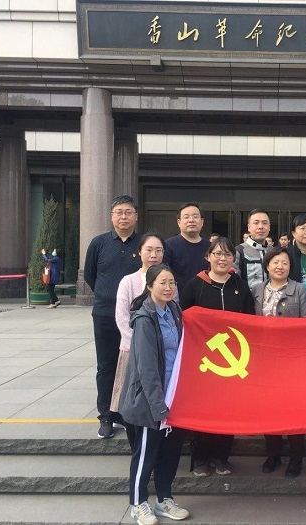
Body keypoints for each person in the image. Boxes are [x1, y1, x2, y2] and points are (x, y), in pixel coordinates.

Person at [179, 237, 255, 477]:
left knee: (227, 408)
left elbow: (251, 319)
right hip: (203, 360)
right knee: (203, 408)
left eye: (227, 254)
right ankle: (201, 457)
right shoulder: (195, 285)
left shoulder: (240, 285)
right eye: (217, 254)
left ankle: (222, 457)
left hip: (234, 358)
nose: (222, 259)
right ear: (208, 257)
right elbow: (183, 318)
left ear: (234, 258)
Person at [120, 264, 189, 525]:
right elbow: (147, 368)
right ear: (149, 286)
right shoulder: (144, 319)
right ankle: (138, 504)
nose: (168, 288)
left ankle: (164, 499)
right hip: (152, 400)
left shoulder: (174, 311)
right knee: (146, 454)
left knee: (170, 453)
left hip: (175, 395)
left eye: (172, 283)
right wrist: (159, 407)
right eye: (163, 283)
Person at [251, 246, 306, 478]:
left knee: (294, 409)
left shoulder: (300, 289)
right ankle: (273, 453)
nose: (280, 266)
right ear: (267, 265)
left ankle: (296, 458)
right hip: (265, 360)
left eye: (285, 263)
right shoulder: (257, 289)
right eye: (275, 262)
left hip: (292, 360)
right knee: (269, 409)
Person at [84, 195, 141, 439]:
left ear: (136, 217)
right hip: (105, 314)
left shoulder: (143, 244)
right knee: (106, 365)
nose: (123, 217)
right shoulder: (99, 243)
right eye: (119, 212)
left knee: (133, 365)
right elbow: (90, 276)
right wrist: (108, 296)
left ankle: (127, 413)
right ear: (111, 216)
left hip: (136, 317)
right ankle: (106, 415)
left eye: (128, 212)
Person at [113, 232, 166, 449]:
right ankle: (136, 448)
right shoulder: (128, 281)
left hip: (161, 353)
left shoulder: (168, 281)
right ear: (139, 252)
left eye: (158, 250)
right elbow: (122, 318)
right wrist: (139, 345)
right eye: (149, 250)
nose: (154, 255)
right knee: (133, 402)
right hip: (132, 351)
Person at [163, 202, 210, 293]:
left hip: (205, 297)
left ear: (202, 221)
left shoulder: (211, 248)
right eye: (186, 217)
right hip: (176, 298)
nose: (191, 220)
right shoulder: (168, 246)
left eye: (195, 216)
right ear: (179, 222)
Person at [234, 208, 271, 288]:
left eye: (264, 223)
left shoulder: (274, 252)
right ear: (249, 227)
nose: (260, 227)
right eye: (256, 223)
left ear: (269, 227)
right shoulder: (239, 251)